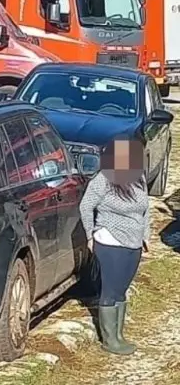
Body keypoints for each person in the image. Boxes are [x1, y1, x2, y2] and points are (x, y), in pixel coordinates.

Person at [79, 136, 151, 356]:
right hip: (110, 241)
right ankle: (110, 340)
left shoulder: (138, 178)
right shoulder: (103, 180)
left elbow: (146, 209)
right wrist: (91, 235)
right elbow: (85, 206)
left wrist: (146, 236)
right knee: (110, 291)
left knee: (122, 289)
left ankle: (119, 335)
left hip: (134, 242)